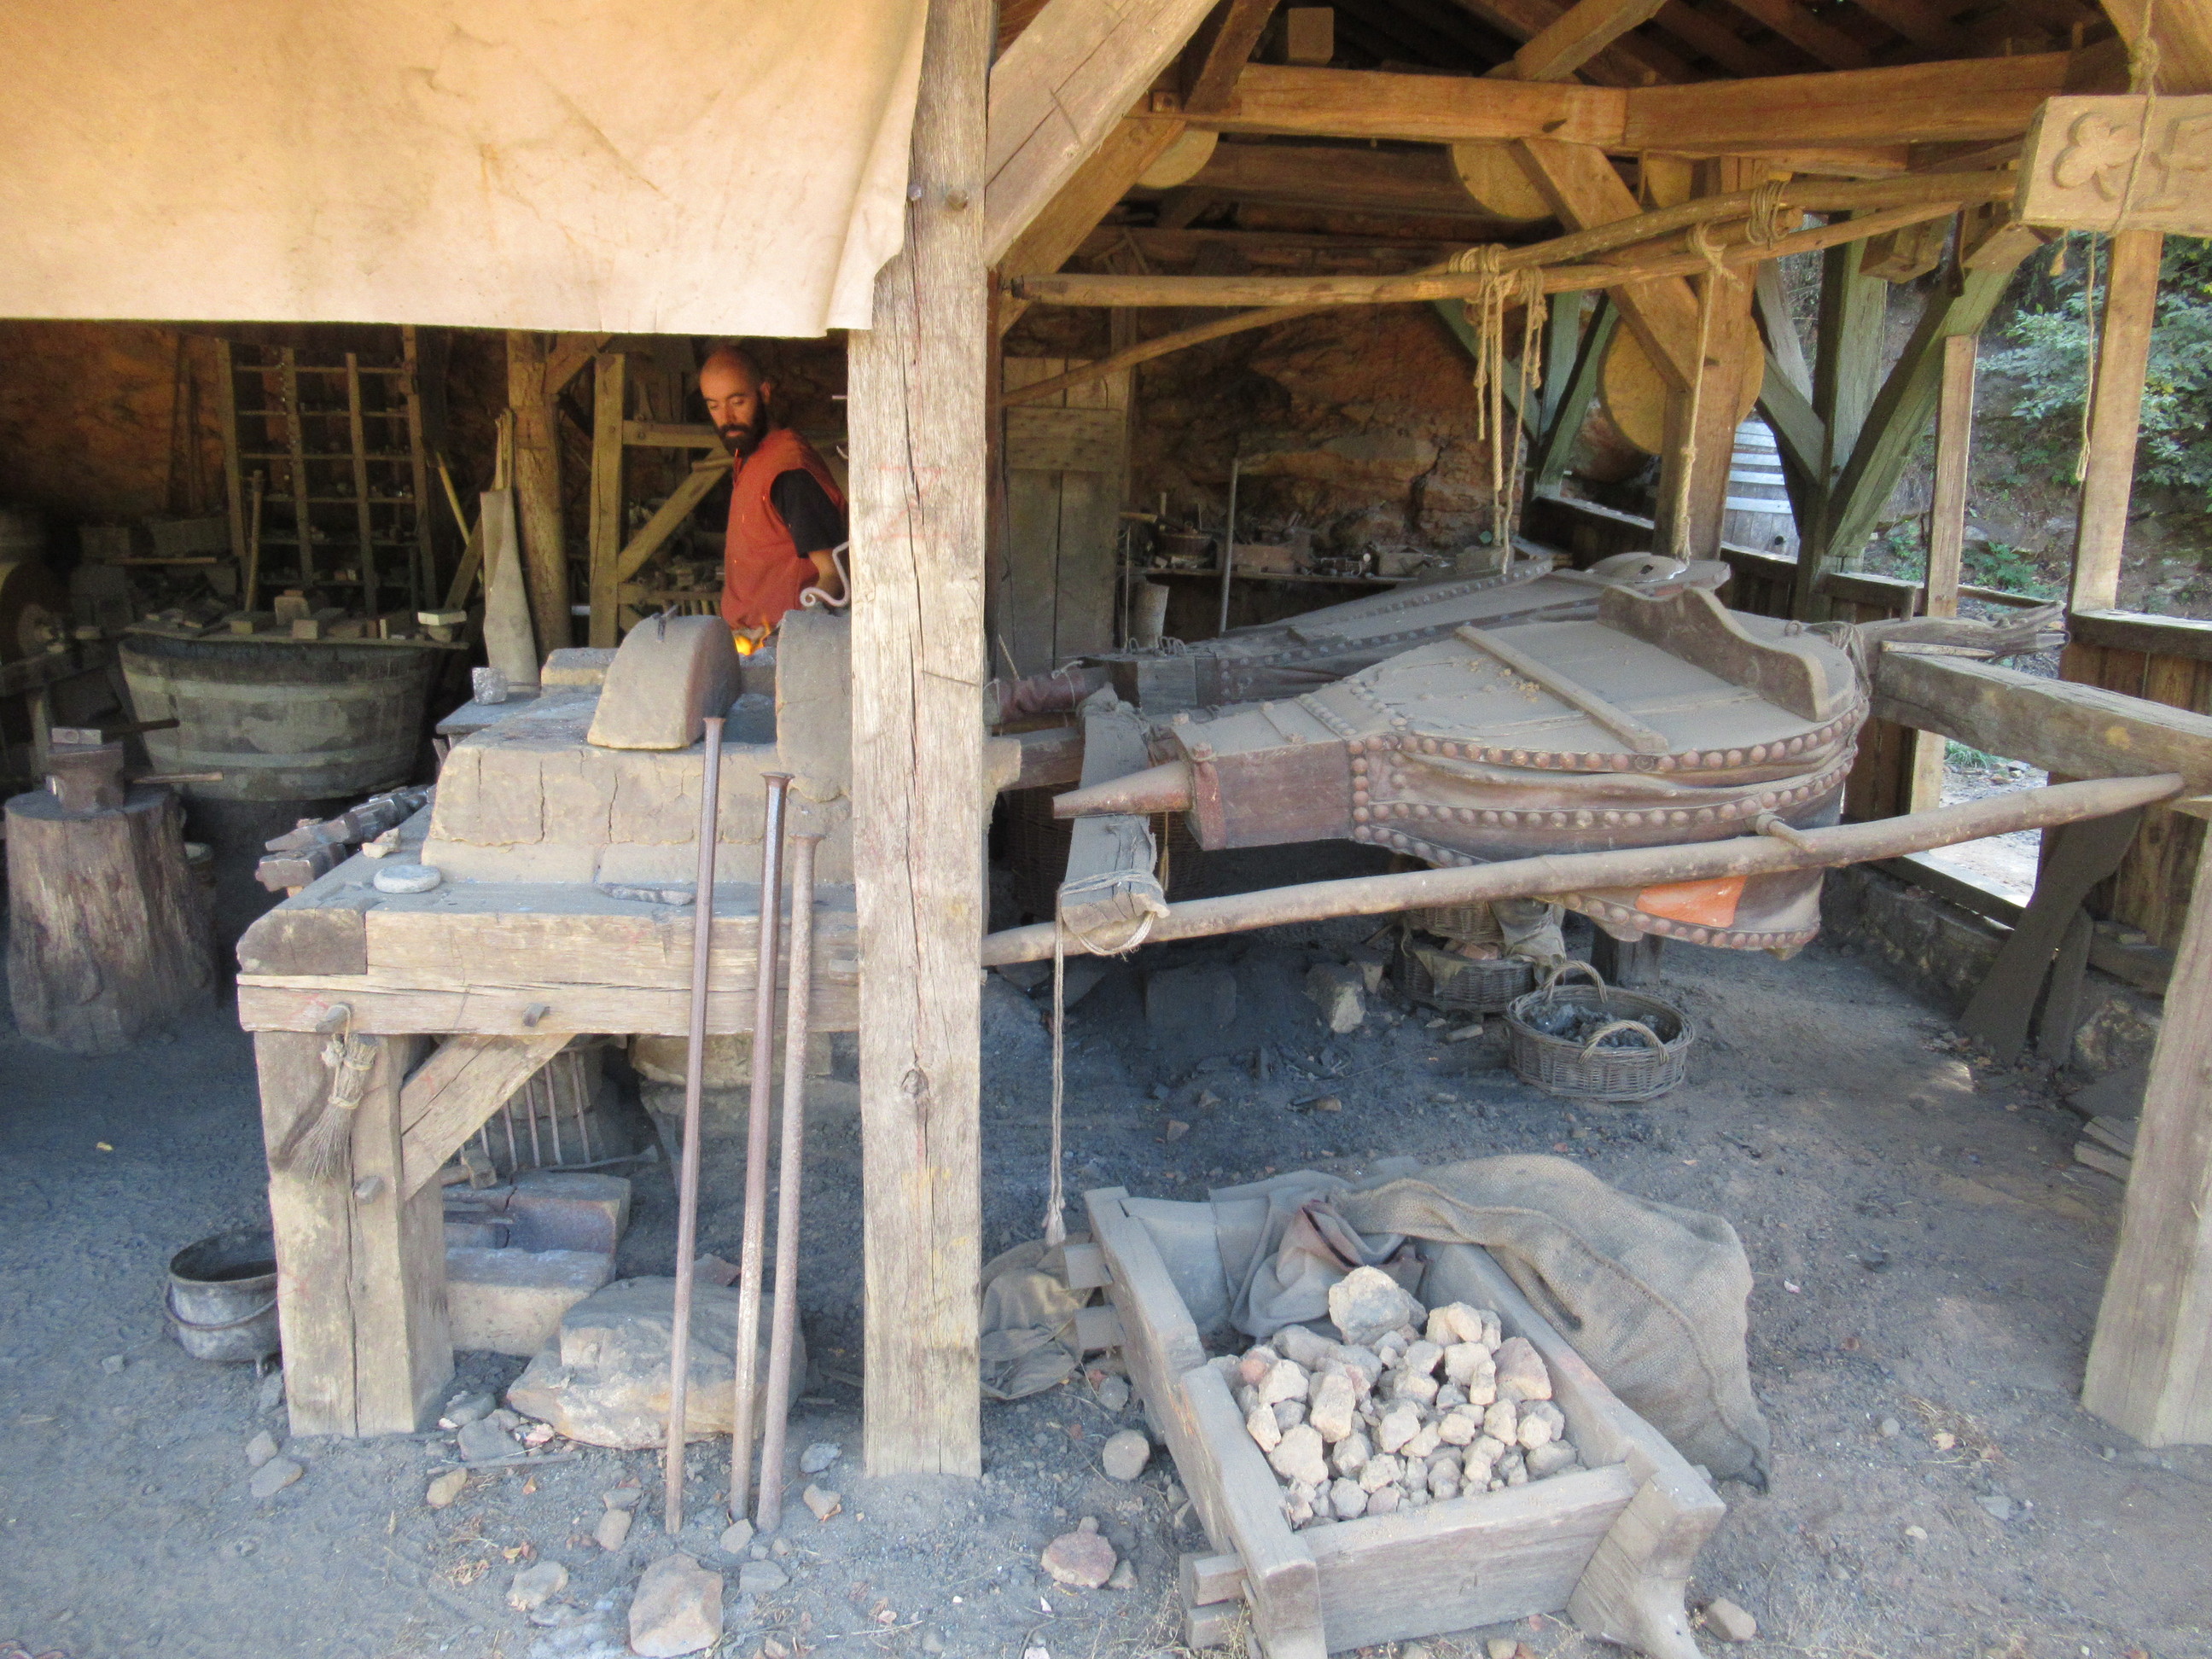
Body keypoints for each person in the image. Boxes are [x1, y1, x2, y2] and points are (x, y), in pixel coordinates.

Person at [699, 346, 847, 645]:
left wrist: (792, 640)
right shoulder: (750, 456)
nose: (727, 417)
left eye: (738, 402)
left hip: (778, 646)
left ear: (764, 393)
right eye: (714, 406)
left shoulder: (789, 472)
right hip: (745, 644)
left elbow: (833, 575)